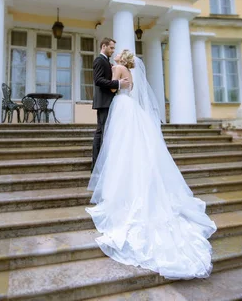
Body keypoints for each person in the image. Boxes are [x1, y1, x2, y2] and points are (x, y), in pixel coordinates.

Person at [87, 49, 217, 280]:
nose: (115, 56)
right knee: (133, 145)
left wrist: (112, 84)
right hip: (130, 108)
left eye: (118, 54)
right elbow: (128, 87)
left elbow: (111, 87)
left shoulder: (117, 69)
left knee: (120, 146)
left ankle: (121, 190)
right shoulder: (131, 73)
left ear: (121, 59)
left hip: (121, 108)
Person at [91, 37, 130, 171]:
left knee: (105, 132)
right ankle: (96, 165)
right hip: (104, 102)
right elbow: (98, 81)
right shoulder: (99, 60)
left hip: (109, 102)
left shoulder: (107, 62)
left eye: (114, 48)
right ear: (104, 46)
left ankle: (103, 164)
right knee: (101, 132)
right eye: (111, 48)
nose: (113, 51)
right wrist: (118, 83)